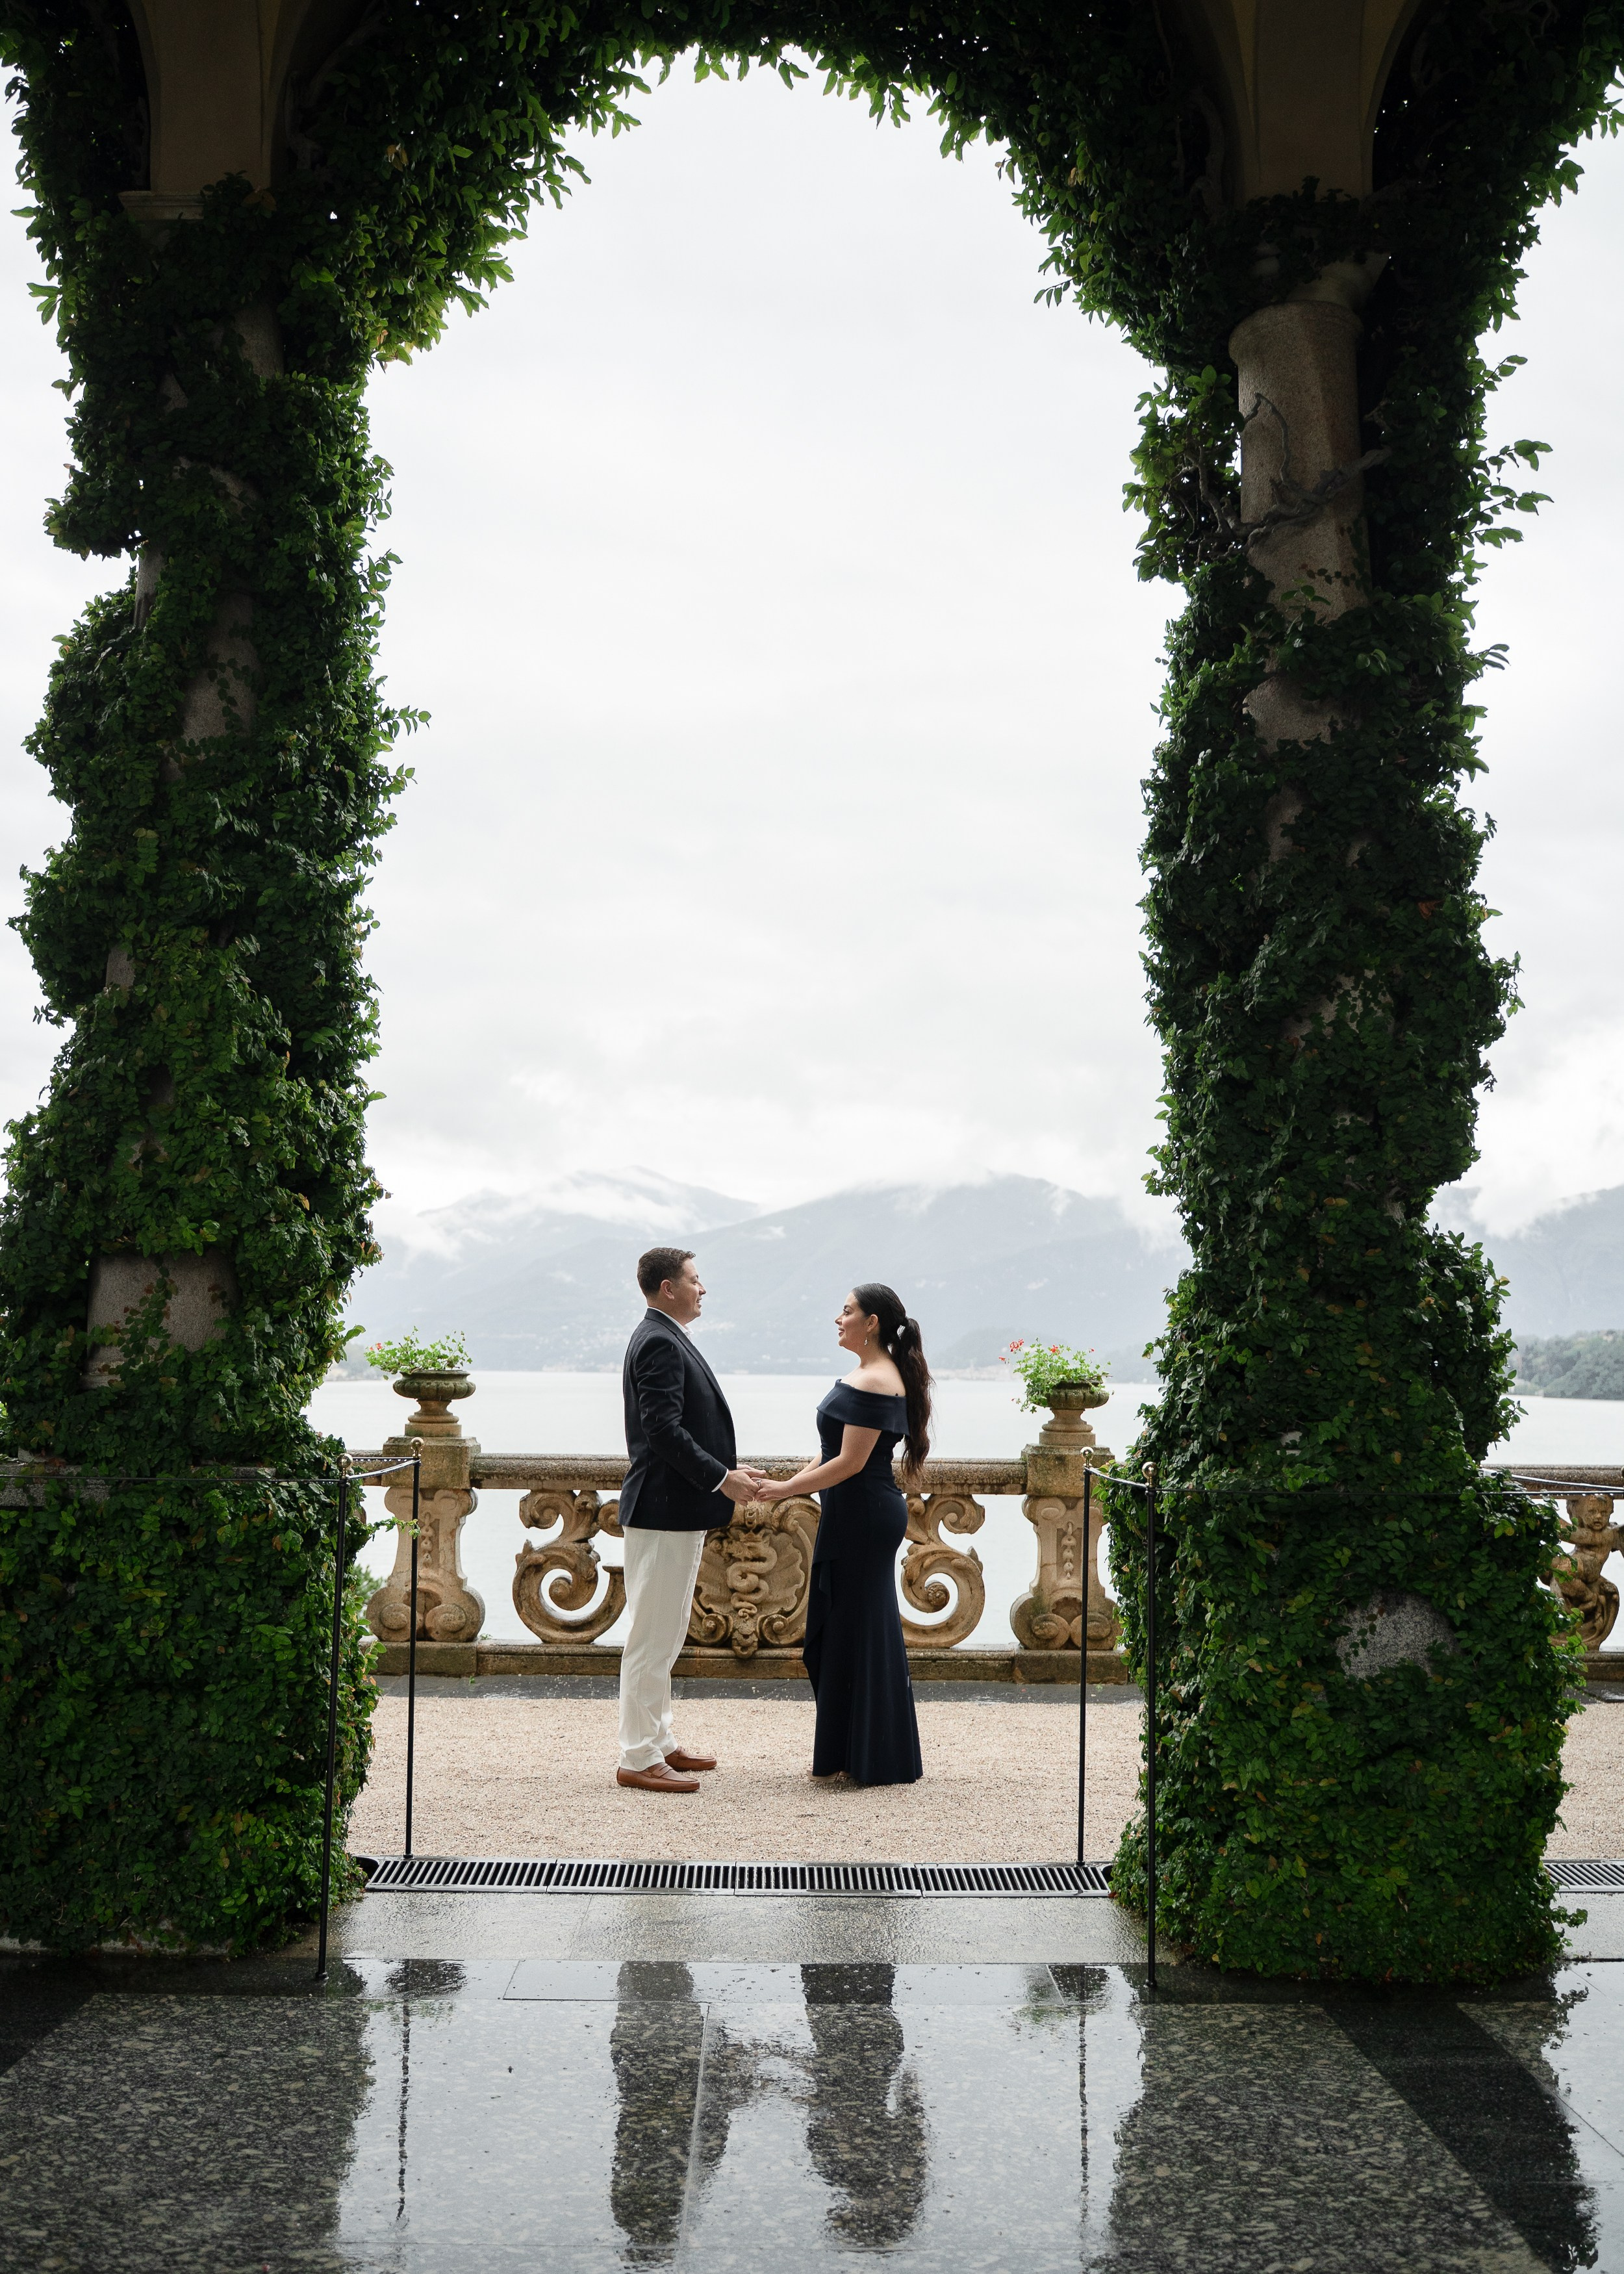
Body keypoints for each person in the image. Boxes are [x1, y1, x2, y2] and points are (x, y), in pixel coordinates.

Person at [757, 1284, 928, 1785]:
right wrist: (791, 1482)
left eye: (848, 1311)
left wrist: (784, 1489)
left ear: (871, 1322)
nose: (838, 1318)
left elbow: (851, 1463)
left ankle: (873, 1756)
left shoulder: (877, 1379)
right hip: (854, 1512)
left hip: (864, 1516)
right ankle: (861, 1752)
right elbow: (832, 1449)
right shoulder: (868, 1374)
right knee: (853, 1630)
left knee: (861, 1629)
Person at [616, 1247, 757, 1792]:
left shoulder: (665, 1335)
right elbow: (663, 1431)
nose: (704, 1289)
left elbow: (679, 1426)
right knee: (651, 1637)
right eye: (696, 1280)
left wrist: (726, 1471)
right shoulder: (658, 1340)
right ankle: (637, 1755)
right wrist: (723, 1479)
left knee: (666, 1633)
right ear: (668, 1288)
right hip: (663, 1510)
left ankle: (658, 1740)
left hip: (671, 1509)